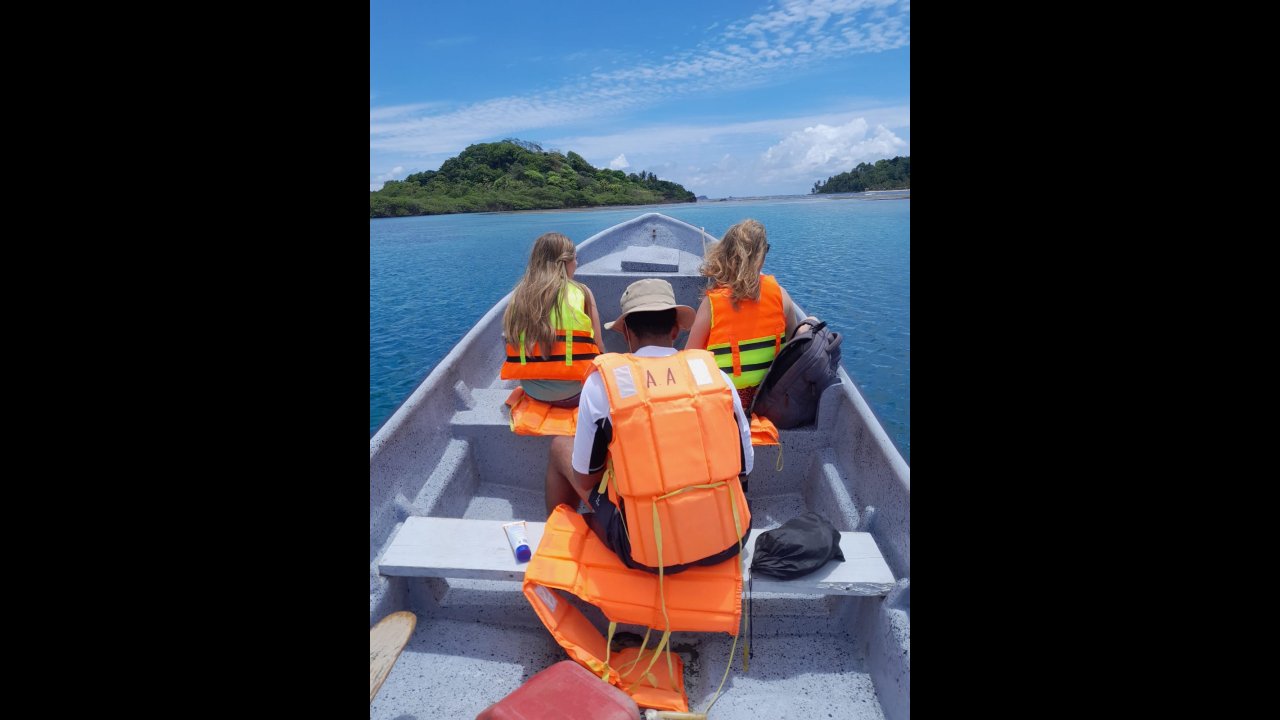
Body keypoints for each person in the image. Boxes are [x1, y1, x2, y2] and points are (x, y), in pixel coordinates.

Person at [545, 279, 754, 573]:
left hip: (645, 550)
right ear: (675, 330)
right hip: (731, 535)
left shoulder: (603, 384)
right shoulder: (716, 376)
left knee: (560, 447)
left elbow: (585, 480)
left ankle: (556, 542)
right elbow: (745, 469)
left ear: (628, 334)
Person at [685, 218, 799, 411]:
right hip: (768, 397)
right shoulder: (780, 295)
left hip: (725, 401)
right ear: (761, 257)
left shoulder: (711, 304)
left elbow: (689, 358)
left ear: (724, 255)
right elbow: (794, 345)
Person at [500, 232, 604, 407]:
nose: (576, 264)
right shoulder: (582, 292)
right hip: (575, 393)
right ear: (566, 262)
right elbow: (599, 346)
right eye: (575, 259)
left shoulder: (519, 296)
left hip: (533, 392)